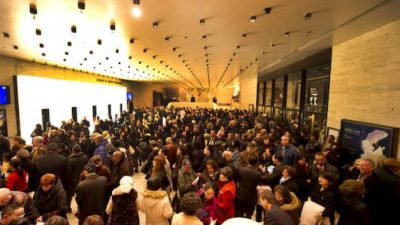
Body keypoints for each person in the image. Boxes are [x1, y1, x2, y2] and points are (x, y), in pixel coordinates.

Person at [235, 153, 261, 218]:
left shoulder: (241, 170)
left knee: (239, 214)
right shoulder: (258, 174)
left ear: (248, 161)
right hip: (251, 196)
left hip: (240, 194)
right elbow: (257, 184)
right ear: (256, 163)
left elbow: (237, 181)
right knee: (248, 215)